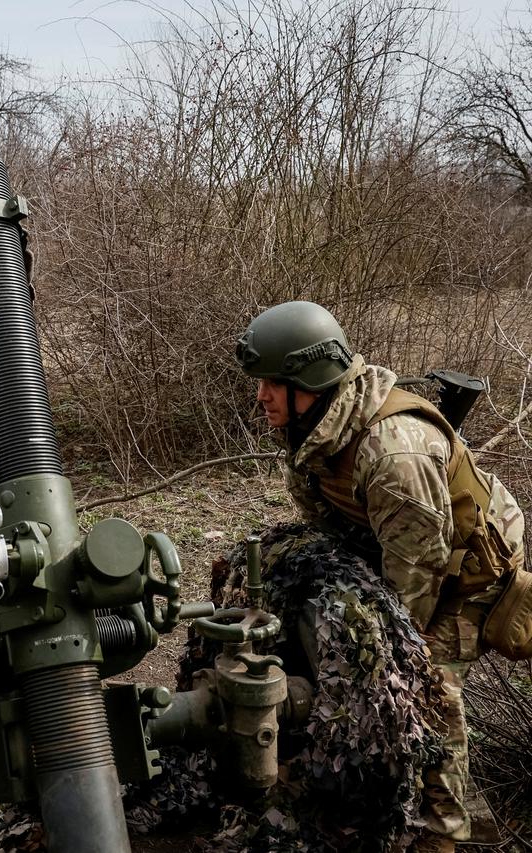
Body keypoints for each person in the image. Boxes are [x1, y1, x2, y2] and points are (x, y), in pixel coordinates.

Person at [235, 301, 526, 853]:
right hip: (405, 546)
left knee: (421, 682)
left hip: (470, 574)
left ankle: (445, 831)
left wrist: (377, 659)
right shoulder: (313, 424)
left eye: (272, 383)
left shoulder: (394, 453)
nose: (261, 396)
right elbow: (330, 523)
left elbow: (415, 585)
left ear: (310, 381)